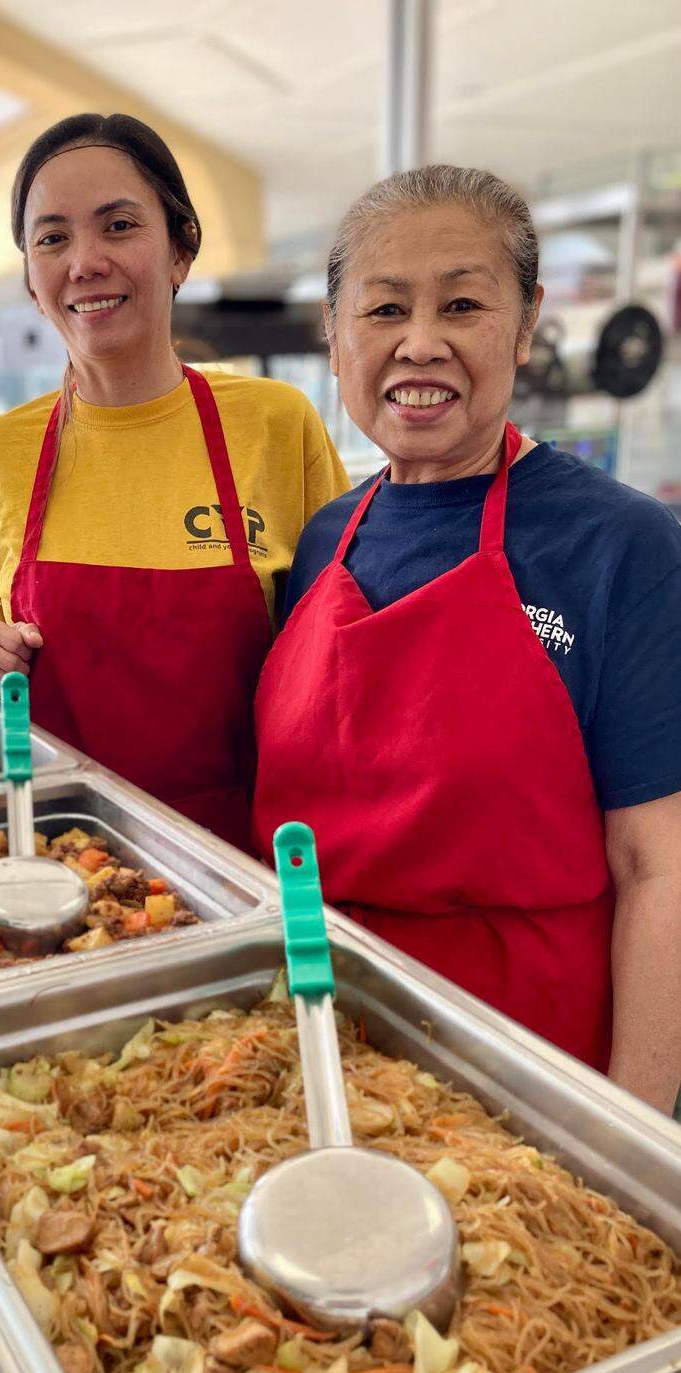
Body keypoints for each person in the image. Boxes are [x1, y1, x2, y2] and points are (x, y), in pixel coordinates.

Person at [253, 165, 681, 1113]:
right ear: (333, 334)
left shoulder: (622, 544)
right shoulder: (326, 538)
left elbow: (661, 868)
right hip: (315, 1043)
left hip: (527, 1067)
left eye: (461, 304)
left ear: (525, 327)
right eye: (383, 310)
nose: (421, 343)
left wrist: (629, 1135)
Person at [0, 113, 347, 851]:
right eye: (52, 237)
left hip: (252, 864)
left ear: (180, 249)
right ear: (32, 282)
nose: (85, 261)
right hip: (64, 870)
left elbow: (342, 655)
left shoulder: (276, 425)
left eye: (120, 225)